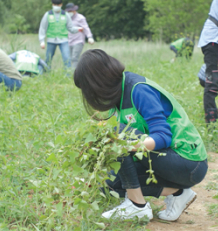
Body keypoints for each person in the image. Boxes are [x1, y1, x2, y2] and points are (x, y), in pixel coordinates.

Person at [74, 49, 208, 221]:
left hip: (189, 163)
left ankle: (137, 206)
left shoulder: (139, 90)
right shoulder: (119, 95)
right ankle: (178, 193)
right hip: (166, 160)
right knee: (110, 186)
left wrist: (127, 146)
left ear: (98, 82)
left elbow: (163, 136)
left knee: (116, 133)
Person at [38, 0, 83, 69]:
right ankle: (46, 74)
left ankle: (68, 75)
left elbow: (70, 28)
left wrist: (78, 29)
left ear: (61, 4)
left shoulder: (65, 15)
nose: (56, 6)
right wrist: (42, 41)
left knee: (67, 58)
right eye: (55, 4)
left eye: (58, 4)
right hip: (51, 40)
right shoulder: (48, 14)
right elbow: (43, 28)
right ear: (52, 4)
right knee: (48, 59)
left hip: (63, 40)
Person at [65, 3, 94, 69]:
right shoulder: (66, 19)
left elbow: (86, 28)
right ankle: (68, 72)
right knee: (68, 58)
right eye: (68, 11)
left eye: (71, 11)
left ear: (74, 10)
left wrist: (89, 37)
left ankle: (74, 73)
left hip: (78, 41)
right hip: (69, 41)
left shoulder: (80, 18)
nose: (69, 13)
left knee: (75, 58)